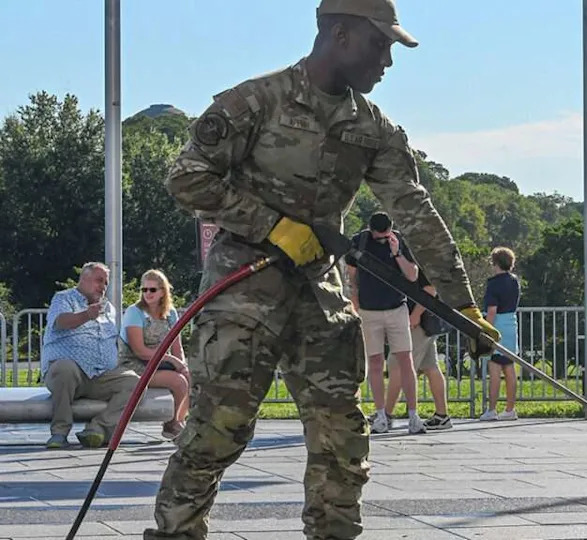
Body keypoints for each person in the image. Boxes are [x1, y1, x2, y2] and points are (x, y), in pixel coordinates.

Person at [145, 0, 500, 538]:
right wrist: (271, 224)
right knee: (219, 430)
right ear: (340, 34)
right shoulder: (254, 102)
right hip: (244, 291)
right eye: (380, 45)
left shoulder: (372, 127)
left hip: (321, 294)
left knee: (343, 438)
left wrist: (461, 303)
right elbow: (187, 178)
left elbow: (415, 211)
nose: (387, 61)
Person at [40, 262, 139, 449]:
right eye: (99, 281)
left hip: (101, 375)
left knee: (135, 383)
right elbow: (62, 322)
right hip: (70, 373)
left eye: (106, 283)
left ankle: (98, 429)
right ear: (83, 279)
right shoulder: (63, 298)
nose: (103, 287)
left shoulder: (108, 308)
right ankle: (59, 433)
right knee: (64, 368)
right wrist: (87, 315)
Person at [346, 211, 424, 435]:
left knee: (405, 360)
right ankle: (380, 414)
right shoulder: (359, 241)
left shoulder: (398, 240)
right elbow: (352, 277)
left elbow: (412, 276)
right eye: (379, 235)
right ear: (370, 229)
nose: (382, 238)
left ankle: (413, 415)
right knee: (376, 362)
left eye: (385, 234)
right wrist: (356, 303)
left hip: (397, 307)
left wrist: (396, 253)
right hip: (369, 311)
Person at [118, 270, 190, 440]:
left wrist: (182, 364)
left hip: (159, 363)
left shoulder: (171, 313)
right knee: (178, 382)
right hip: (135, 365)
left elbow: (177, 346)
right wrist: (171, 360)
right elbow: (139, 351)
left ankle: (179, 419)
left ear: (163, 291)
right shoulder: (134, 312)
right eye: (144, 290)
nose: (147, 294)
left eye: (152, 290)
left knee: (190, 376)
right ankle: (173, 423)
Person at [385, 271, 453, 430]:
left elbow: (430, 289)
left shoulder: (418, 257)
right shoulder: (423, 256)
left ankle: (385, 415)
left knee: (397, 365)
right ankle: (442, 416)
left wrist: (415, 314)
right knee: (430, 367)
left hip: (417, 322)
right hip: (425, 322)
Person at [477, 247, 522, 422]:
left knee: (494, 369)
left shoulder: (494, 284)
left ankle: (492, 409)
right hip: (512, 324)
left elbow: (492, 310)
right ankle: (510, 409)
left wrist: (485, 328)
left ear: (495, 263)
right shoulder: (514, 281)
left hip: (498, 327)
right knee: (509, 368)